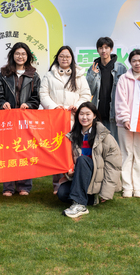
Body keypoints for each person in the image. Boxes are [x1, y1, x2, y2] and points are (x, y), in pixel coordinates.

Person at [40, 45, 91, 194]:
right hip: (55, 120)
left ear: (72, 58)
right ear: (57, 58)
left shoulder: (79, 75)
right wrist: (54, 107)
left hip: (75, 120)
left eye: (67, 56)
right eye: (61, 56)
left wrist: (78, 106)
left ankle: (76, 184)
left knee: (75, 151)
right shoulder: (49, 75)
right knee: (57, 151)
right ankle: (58, 185)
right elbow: (43, 94)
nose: (64, 59)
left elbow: (86, 95)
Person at [59, 102, 122, 218]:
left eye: (88, 114)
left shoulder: (105, 137)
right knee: (62, 193)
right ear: (77, 116)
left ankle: (79, 205)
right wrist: (69, 173)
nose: (84, 117)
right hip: (80, 176)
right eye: (81, 114)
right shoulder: (73, 136)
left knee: (83, 160)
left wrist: (106, 192)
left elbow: (113, 166)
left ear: (94, 116)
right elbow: (67, 162)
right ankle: (91, 198)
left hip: (97, 178)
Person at [0, 42, 41, 196]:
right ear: (12, 55)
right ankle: (8, 187)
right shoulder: (3, 74)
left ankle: (24, 186)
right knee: (8, 152)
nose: (20, 56)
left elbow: (37, 97)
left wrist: (29, 104)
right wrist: (2, 103)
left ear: (28, 56)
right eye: (17, 53)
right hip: (8, 119)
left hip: (26, 120)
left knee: (25, 151)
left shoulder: (34, 75)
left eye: (23, 54)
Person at [115, 49, 140, 198]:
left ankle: (138, 188)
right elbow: (120, 101)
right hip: (124, 123)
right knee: (126, 154)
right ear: (130, 62)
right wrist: (125, 119)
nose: (137, 63)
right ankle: (127, 187)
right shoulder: (123, 79)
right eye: (134, 61)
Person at [86, 37, 126, 143]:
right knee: (98, 145)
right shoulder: (93, 68)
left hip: (114, 115)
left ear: (111, 49)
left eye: (106, 47)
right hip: (98, 114)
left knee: (115, 145)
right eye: (100, 48)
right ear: (97, 50)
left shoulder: (121, 68)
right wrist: (92, 75)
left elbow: (127, 92)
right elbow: (89, 91)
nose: (103, 50)